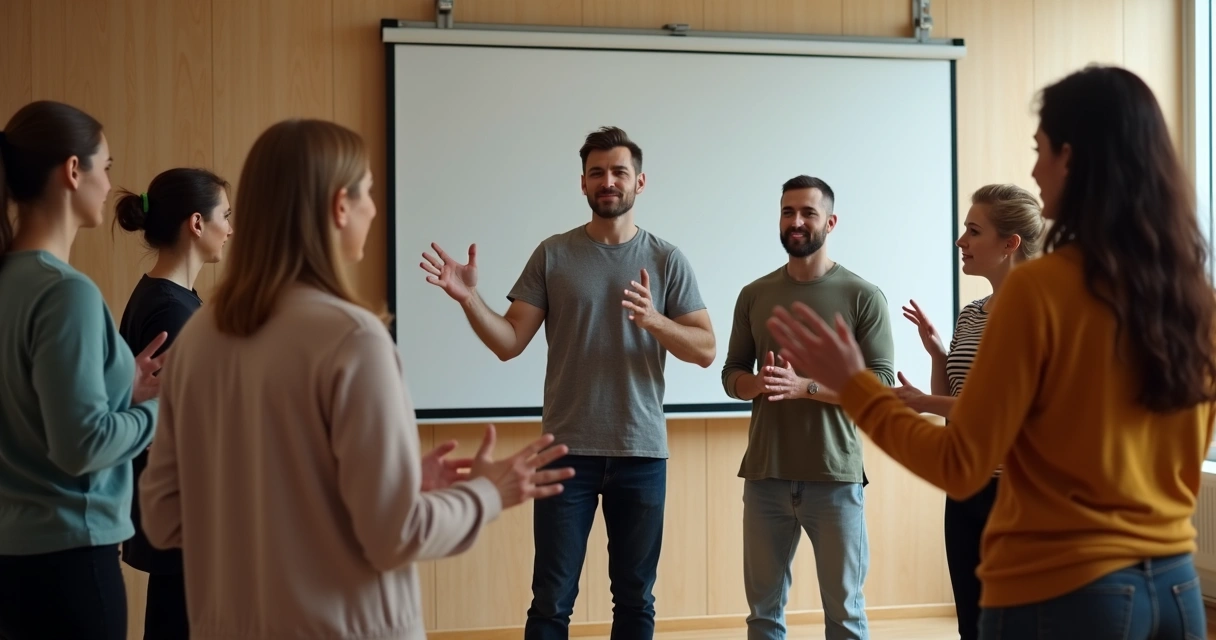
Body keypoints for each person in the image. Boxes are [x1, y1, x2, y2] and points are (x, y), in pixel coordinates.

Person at [766, 65, 1216, 640]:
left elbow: (960, 463)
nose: (1034, 169)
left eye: (1041, 150)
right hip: (1176, 591)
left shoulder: (1040, 290)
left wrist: (853, 384)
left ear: (1073, 159)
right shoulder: (1190, 295)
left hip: (1064, 589)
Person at [138, 118, 575, 640]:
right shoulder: (353, 340)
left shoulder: (202, 337)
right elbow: (395, 535)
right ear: (339, 207)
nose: (373, 208)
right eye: (367, 192)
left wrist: (381, 490)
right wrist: (488, 491)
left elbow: (164, 518)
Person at [421, 126, 716, 640]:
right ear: (582, 183)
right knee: (551, 600)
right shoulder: (553, 254)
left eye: (619, 172)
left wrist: (655, 322)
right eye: (597, 172)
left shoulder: (668, 259)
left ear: (639, 182)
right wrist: (468, 298)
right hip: (564, 452)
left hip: (641, 452)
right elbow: (509, 341)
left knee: (635, 599)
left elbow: (707, 349)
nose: (608, 181)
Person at [0, 100, 166, 640]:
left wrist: (124, 388)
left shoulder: (13, 283)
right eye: (107, 166)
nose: (110, 183)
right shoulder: (64, 292)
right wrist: (165, 409)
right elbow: (80, 445)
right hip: (69, 562)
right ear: (74, 171)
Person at [721, 175, 894, 640]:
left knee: (845, 616)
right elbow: (731, 374)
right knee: (763, 616)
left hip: (834, 478)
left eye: (807, 213)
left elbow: (880, 385)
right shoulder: (754, 295)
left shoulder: (862, 296)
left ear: (830, 222)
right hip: (764, 476)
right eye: (787, 212)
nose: (795, 222)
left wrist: (805, 388)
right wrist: (754, 383)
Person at [893, 184, 1044, 640]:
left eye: (973, 231)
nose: (961, 241)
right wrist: (939, 356)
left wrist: (922, 401)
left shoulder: (1039, 311)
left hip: (1019, 494)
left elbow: (1009, 410)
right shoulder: (971, 314)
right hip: (965, 488)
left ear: (1009, 243)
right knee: (972, 627)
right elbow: (955, 413)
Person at [114, 167, 233, 639]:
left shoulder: (170, 299)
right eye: (226, 215)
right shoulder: (171, 310)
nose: (232, 228)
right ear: (197, 223)